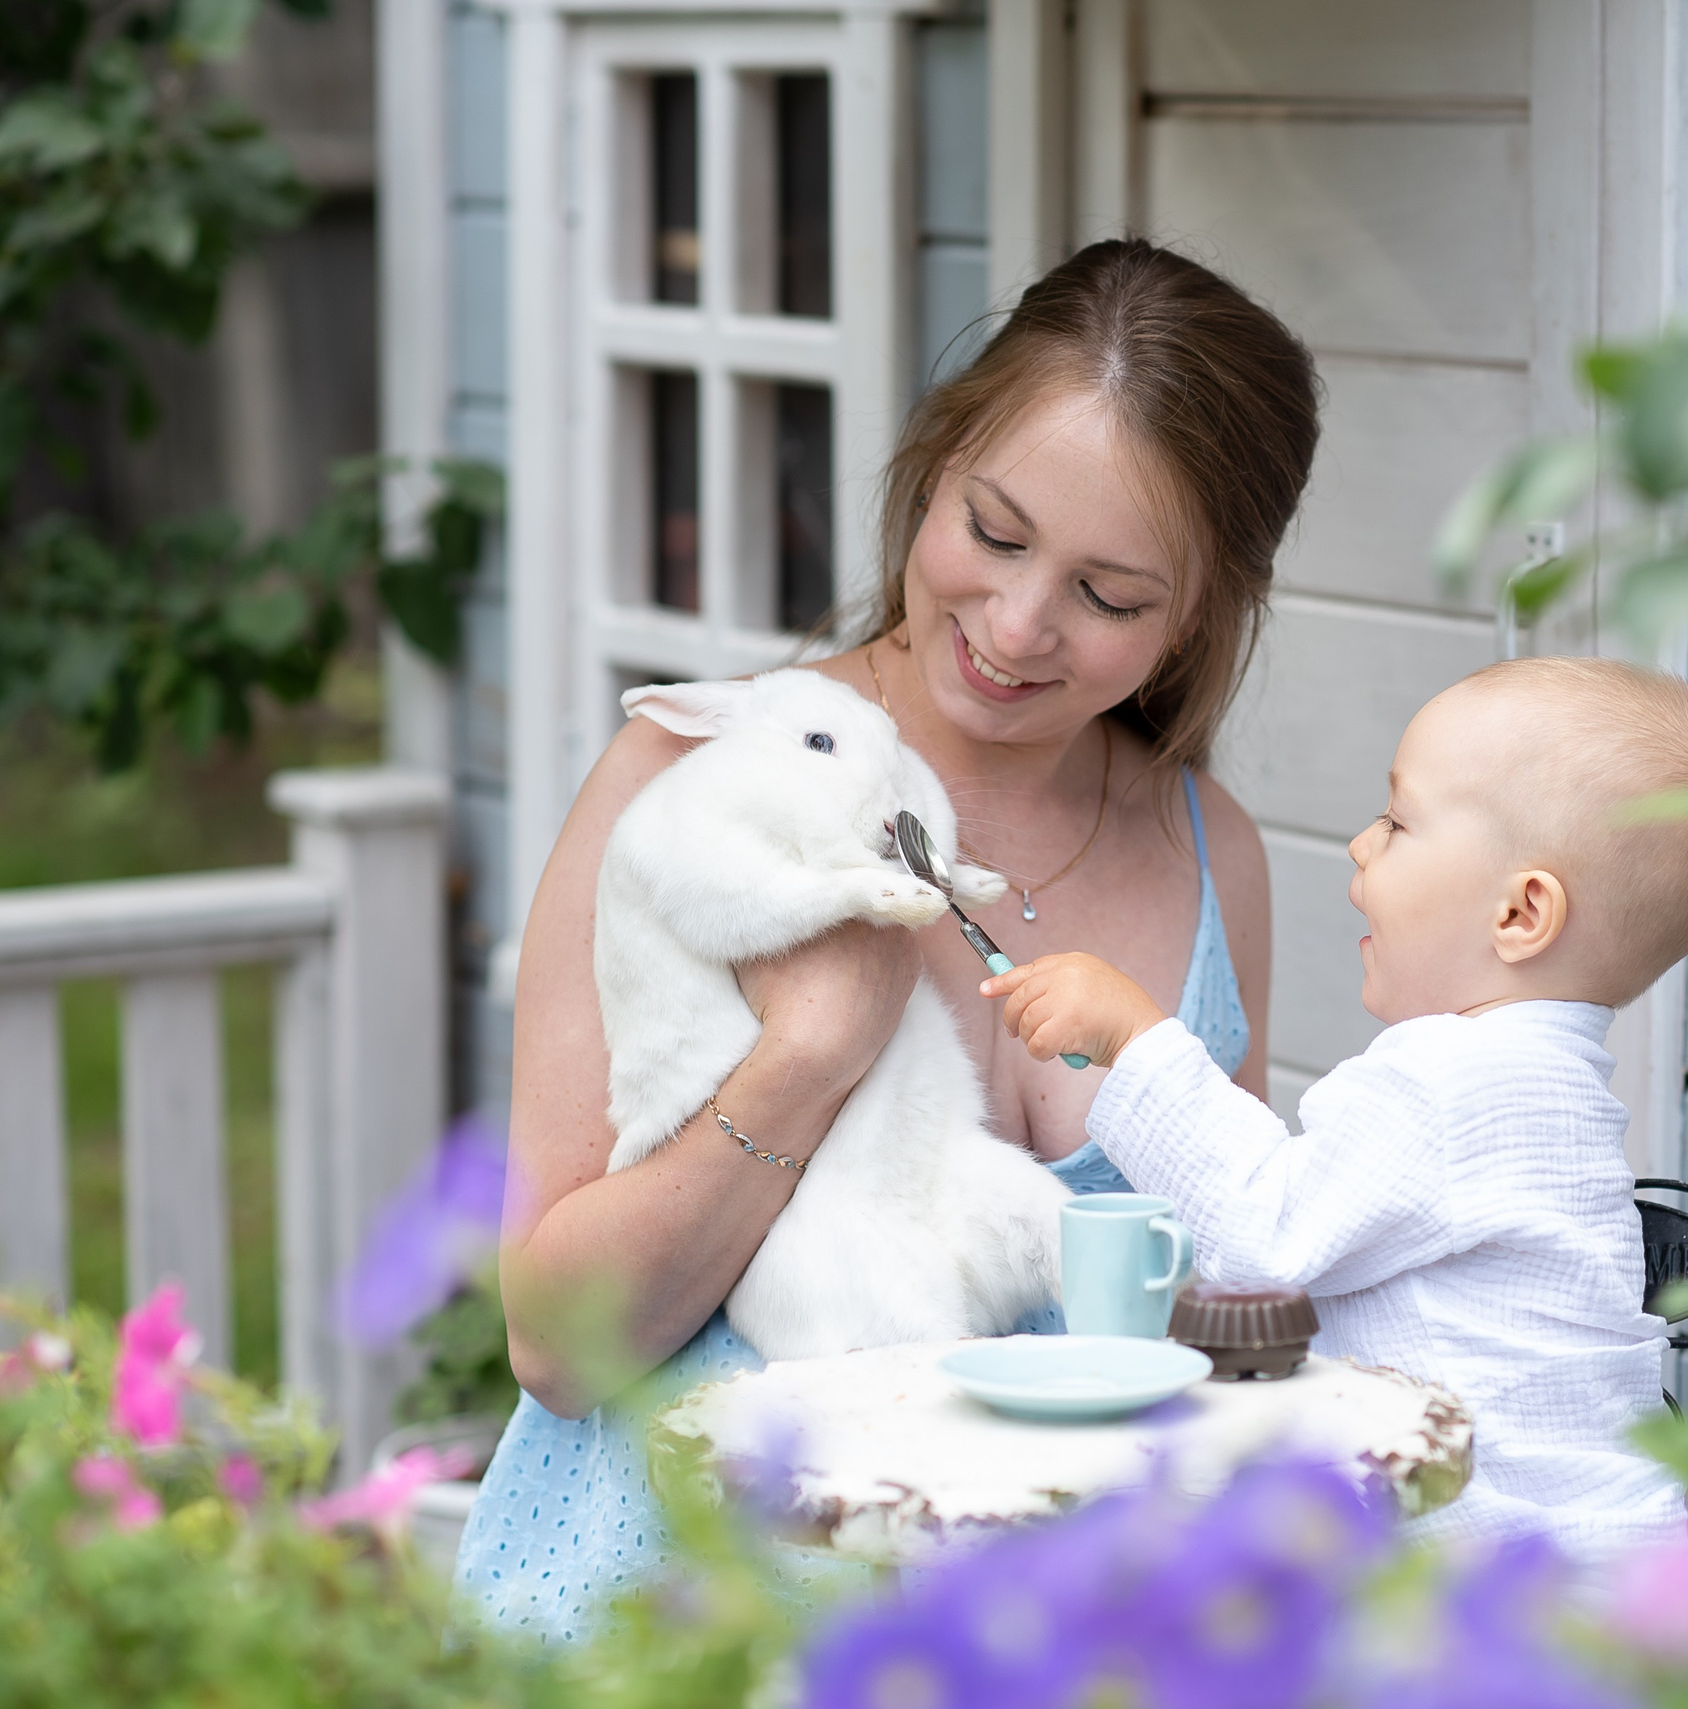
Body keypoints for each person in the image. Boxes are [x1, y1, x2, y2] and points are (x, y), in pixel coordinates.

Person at [455, 240, 1320, 1642]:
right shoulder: (692, 778)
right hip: (675, 1626)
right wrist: (809, 1054)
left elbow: (1226, 1308)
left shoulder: (1213, 853)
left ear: (1201, 617)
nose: (1018, 625)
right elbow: (557, 1345)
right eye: (992, 530)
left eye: (1108, 597)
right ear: (930, 470)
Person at [983, 657, 1688, 1562]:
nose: (1361, 842)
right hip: (1602, 1562)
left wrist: (1137, 1040)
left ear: (1521, 912)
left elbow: (1264, 1237)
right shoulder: (1547, 1084)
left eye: (1397, 821)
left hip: (1501, 1583)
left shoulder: (1454, 1081)